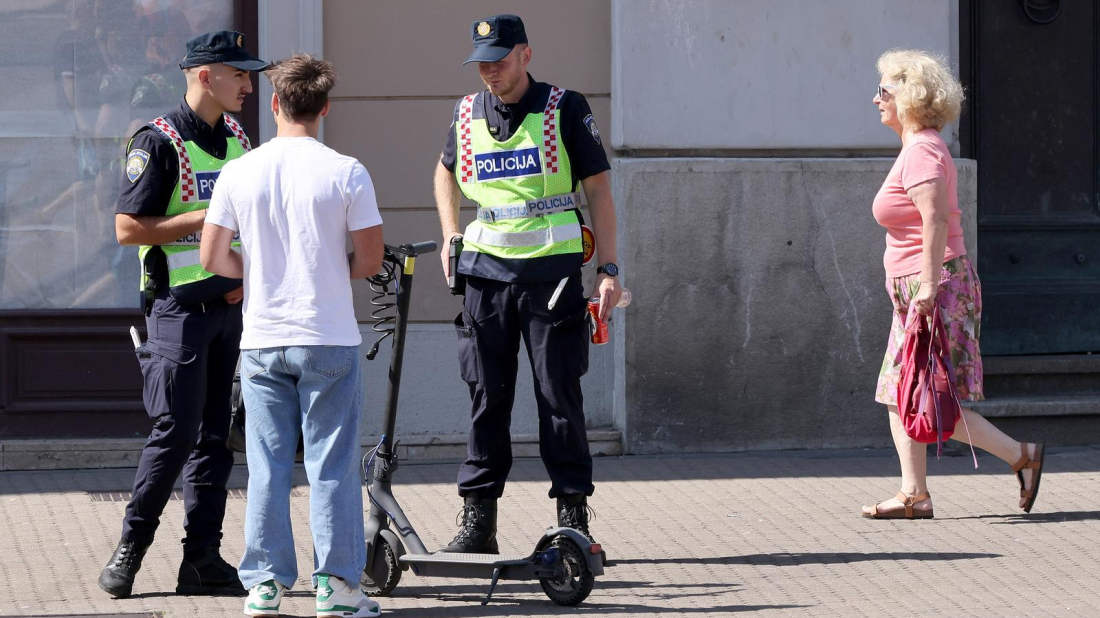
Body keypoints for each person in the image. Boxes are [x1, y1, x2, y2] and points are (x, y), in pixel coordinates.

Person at [200, 53, 384, 618]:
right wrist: (324, 271)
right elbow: (370, 260)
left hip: (261, 337)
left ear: (275, 103)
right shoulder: (347, 171)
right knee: (331, 466)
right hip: (327, 334)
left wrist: (257, 273)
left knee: (267, 466)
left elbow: (212, 256)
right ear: (324, 107)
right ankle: (337, 587)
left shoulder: (239, 171)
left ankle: (265, 586)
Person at [433, 14, 622, 553]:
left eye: (499, 60)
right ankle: (478, 525)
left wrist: (608, 269)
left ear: (526, 54)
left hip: (550, 275)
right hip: (484, 277)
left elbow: (599, 190)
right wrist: (450, 233)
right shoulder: (466, 111)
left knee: (558, 398)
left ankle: (572, 523)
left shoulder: (565, 107)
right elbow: (444, 171)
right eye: (482, 63)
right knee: (486, 397)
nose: (490, 71)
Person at [100, 30, 267, 599]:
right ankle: (131, 548)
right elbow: (127, 229)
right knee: (174, 433)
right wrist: (206, 217)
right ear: (204, 76)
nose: (248, 85)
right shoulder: (158, 141)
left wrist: (243, 279)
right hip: (177, 311)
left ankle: (202, 559)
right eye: (239, 74)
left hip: (228, 308)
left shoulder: (239, 138)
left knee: (217, 437)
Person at [862, 49, 1044, 519]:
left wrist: (926, 285)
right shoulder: (916, 148)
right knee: (900, 391)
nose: (875, 99)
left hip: (936, 288)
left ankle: (1020, 454)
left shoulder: (922, 150)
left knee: (932, 394)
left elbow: (936, 219)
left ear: (908, 96)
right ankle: (914, 493)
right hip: (917, 291)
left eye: (883, 90)